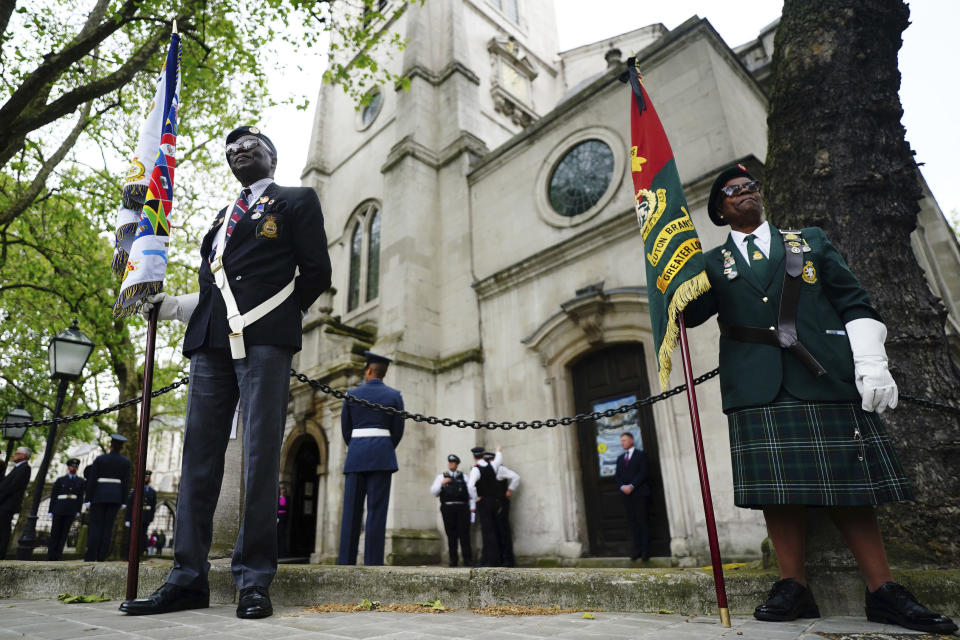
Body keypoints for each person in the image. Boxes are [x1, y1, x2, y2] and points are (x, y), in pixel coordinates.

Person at [682, 164, 956, 635]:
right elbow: (686, 316)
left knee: (852, 490)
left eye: (750, 187)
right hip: (755, 385)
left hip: (822, 374)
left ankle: (883, 591)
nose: (746, 192)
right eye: (733, 191)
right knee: (777, 496)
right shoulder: (712, 264)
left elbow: (853, 299)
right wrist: (660, 265)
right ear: (720, 211)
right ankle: (793, 586)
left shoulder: (807, 240)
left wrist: (871, 361)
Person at [120, 125, 332, 620]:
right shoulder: (221, 218)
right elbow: (216, 291)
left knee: (260, 459)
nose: (238, 152)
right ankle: (186, 578)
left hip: (264, 344)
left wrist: (275, 317)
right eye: (231, 149)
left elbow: (316, 273)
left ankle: (253, 580)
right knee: (198, 460)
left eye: (249, 146)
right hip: (210, 344)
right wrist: (170, 306)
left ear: (271, 156)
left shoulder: (296, 200)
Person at [337, 351, 405, 566]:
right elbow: (398, 430)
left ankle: (345, 562)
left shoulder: (352, 393)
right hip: (382, 456)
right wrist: (382, 446)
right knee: (376, 512)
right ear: (383, 373)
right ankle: (373, 563)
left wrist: (358, 447)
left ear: (368, 370)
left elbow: (346, 430)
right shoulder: (394, 396)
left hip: (356, 455)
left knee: (351, 512)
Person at [83, 434, 131, 562]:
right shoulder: (125, 462)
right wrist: (124, 501)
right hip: (115, 497)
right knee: (108, 528)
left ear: (111, 445)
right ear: (121, 447)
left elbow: (92, 480)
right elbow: (126, 483)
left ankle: (90, 556)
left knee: (96, 526)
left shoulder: (100, 459)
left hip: (98, 495)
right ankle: (101, 556)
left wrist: (88, 498)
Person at [429, 454, 472, 567]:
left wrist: (472, 508)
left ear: (457, 465)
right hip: (448, 508)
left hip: (462, 507)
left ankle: (467, 560)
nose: (451, 464)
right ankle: (453, 560)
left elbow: (470, 492)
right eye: (450, 463)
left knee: (464, 534)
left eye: (453, 463)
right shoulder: (441, 476)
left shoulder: (464, 477)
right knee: (451, 534)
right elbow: (434, 492)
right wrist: (441, 483)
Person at [614, 433, 650, 561]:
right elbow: (617, 476)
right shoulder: (620, 459)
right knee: (632, 523)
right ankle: (637, 550)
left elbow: (643, 472)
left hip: (640, 494)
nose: (622, 443)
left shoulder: (641, 455)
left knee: (643, 522)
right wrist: (622, 487)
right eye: (621, 440)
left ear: (631, 440)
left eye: (624, 440)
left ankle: (645, 551)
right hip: (626, 496)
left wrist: (632, 486)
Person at [467, 445, 503, 566]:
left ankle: (489, 560)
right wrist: (498, 451)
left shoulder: (475, 469)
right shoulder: (491, 465)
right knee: (495, 529)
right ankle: (496, 559)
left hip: (484, 502)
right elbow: (498, 460)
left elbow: (470, 486)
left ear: (474, 457)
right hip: (494, 501)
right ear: (483, 455)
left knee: (487, 531)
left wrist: (476, 498)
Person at [483, 451, 520, 567]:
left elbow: (516, 477)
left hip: (501, 504)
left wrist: (509, 490)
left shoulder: (500, 469)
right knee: (494, 531)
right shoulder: (488, 471)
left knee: (503, 531)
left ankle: (508, 560)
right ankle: (497, 559)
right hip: (493, 505)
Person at [47, 457, 85, 560]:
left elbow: (80, 497)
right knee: (55, 532)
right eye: (72, 466)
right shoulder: (60, 480)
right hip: (59, 508)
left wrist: (78, 510)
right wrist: (50, 510)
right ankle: (51, 555)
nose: (73, 468)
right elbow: (54, 496)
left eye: (75, 466)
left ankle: (58, 555)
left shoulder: (80, 481)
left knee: (64, 533)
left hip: (71, 509)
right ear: (68, 467)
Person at [0, 447, 31, 559]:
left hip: (7, 504)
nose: (14, 455)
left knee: (3, 530)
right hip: (5, 503)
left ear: (23, 456)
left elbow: (12, 487)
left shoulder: (24, 468)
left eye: (16, 453)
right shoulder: (18, 467)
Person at [124, 470, 157, 556]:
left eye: (148, 477)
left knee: (142, 536)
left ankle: (140, 554)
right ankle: (129, 555)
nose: (147, 479)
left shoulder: (152, 492)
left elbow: (153, 506)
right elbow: (130, 505)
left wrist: (151, 517)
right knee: (132, 536)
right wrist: (127, 519)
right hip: (135, 516)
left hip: (146, 517)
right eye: (145, 477)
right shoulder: (135, 490)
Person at [277, 484, 289, 558]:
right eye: (281, 489)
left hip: (283, 519)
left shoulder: (287, 498)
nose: (282, 491)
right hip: (277, 519)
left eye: (284, 489)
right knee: (277, 536)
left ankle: (282, 553)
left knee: (282, 536)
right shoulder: (277, 498)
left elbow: (286, 508)